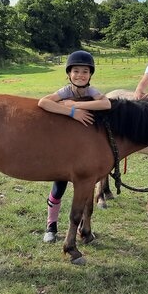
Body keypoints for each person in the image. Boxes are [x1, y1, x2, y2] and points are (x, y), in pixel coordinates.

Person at [39, 50, 111, 243]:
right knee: (58, 188)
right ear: (69, 73)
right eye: (76, 71)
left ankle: (83, 225)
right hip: (64, 150)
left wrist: (77, 106)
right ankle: (51, 226)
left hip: (84, 150)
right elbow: (43, 102)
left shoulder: (91, 92)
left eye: (85, 71)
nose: (80, 75)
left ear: (90, 74)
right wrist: (71, 112)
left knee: (86, 191)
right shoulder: (65, 91)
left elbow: (106, 104)